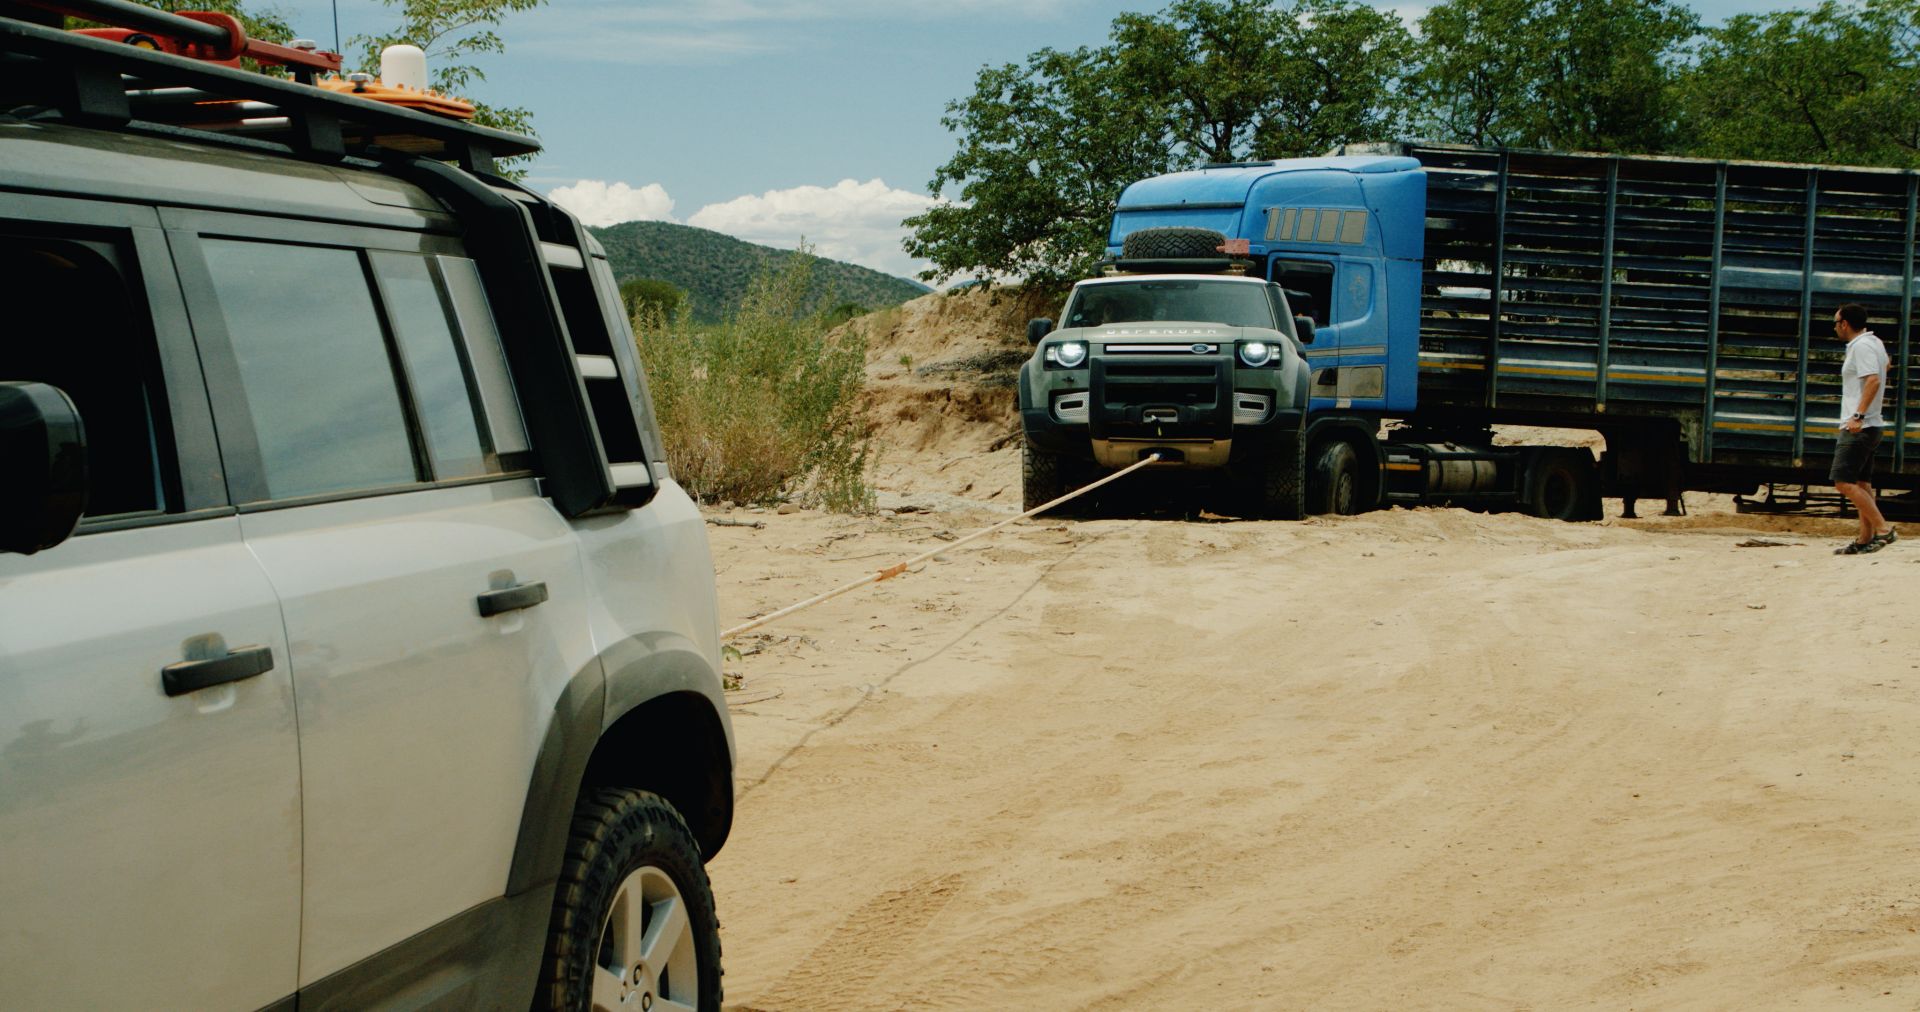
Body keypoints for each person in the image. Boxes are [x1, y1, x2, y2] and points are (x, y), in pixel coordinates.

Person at [1830, 303, 1897, 554]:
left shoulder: (1862, 346)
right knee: (1862, 483)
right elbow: (1886, 366)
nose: (1836, 328)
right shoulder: (1874, 343)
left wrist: (1857, 415)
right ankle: (1864, 539)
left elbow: (1874, 378)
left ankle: (1883, 530)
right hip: (1869, 424)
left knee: (1842, 482)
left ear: (1844, 324)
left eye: (1836, 323)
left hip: (1861, 426)